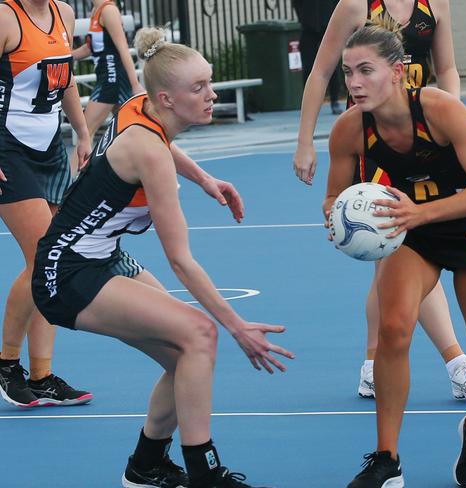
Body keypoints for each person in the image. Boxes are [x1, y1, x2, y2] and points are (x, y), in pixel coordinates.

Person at [31, 27, 294, 488]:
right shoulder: (148, 153)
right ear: (167, 98)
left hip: (99, 256)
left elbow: (163, 142)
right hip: (66, 272)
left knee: (187, 356)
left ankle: (146, 465)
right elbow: (181, 261)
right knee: (200, 334)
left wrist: (205, 179)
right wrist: (239, 328)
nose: (212, 95)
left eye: (210, 82)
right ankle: (204, 474)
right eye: (199, 88)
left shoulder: (140, 105)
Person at [323, 18, 466, 488]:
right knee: (392, 329)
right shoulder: (349, 130)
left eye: (365, 70)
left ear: (398, 71)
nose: (354, 82)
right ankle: (387, 459)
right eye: (348, 73)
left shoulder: (440, 110)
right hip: (409, 235)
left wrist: (420, 214)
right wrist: (340, 220)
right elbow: (333, 198)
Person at [293, 0, 466, 401]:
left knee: (390, 255)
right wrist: (305, 141)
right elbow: (321, 71)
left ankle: (372, 364)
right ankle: (456, 361)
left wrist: (450, 119)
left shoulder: (435, 4)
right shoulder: (355, 6)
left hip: (423, 138)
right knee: (401, 244)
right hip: (377, 140)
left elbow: (448, 70)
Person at [0, 0, 93, 408]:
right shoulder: (6, 16)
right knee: (42, 254)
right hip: (8, 148)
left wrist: (83, 132)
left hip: (49, 147)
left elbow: (66, 79)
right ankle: (5, 363)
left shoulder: (64, 14)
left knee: (53, 259)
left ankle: (41, 375)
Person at [71, 0, 144, 173]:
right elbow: (90, 48)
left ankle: (66, 185)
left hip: (113, 80)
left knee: (85, 131)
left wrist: (135, 85)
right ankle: (147, 169)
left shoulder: (109, 10)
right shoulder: (96, 10)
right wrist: (64, 56)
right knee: (134, 129)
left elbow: (123, 49)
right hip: (108, 78)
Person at [292, 0, 343, 114]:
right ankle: (309, 103)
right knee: (308, 67)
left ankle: (334, 100)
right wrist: (303, 18)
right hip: (308, 27)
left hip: (328, 25)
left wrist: (334, 18)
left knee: (332, 65)